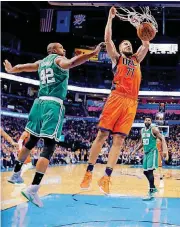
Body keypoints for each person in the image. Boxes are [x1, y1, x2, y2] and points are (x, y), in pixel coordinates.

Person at [4, 41, 103, 207]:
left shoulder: (41, 63)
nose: (64, 49)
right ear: (54, 50)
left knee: (31, 142)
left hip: (38, 104)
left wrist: (12, 69)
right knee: (49, 147)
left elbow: (23, 67)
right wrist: (93, 53)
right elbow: (72, 62)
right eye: (62, 48)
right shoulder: (58, 60)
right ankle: (33, 189)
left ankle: (15, 174)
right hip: (53, 105)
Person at [80, 6, 151, 194]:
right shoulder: (117, 58)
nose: (127, 45)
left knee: (119, 140)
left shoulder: (137, 58)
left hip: (132, 102)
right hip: (117, 97)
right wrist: (110, 18)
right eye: (124, 44)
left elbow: (145, 45)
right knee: (102, 135)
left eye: (129, 44)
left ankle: (106, 177)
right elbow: (107, 40)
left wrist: (142, 28)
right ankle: (89, 171)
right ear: (119, 49)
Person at [132, 117, 168, 200]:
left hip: (153, 151)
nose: (147, 121)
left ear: (151, 122)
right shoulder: (142, 130)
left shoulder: (154, 129)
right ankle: (153, 188)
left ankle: (151, 192)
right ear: (144, 121)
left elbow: (162, 138)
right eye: (146, 120)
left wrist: (165, 150)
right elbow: (142, 142)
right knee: (145, 172)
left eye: (149, 120)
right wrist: (135, 150)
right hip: (146, 153)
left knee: (150, 171)